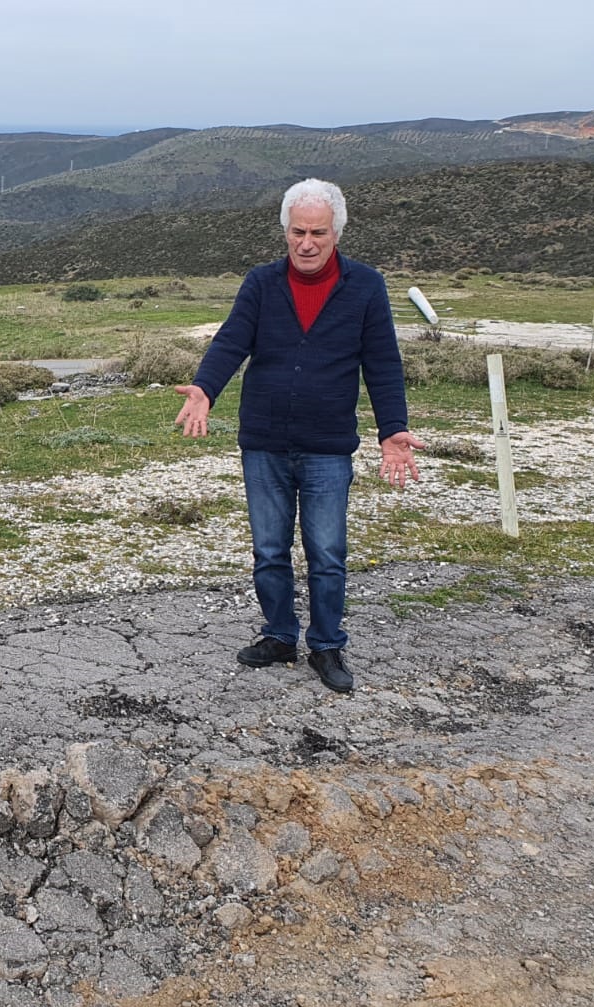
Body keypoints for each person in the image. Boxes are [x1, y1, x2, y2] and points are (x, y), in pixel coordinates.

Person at [173, 178, 423, 694]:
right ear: (285, 231)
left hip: (328, 445)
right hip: (263, 442)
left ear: (337, 234)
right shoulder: (262, 283)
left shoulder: (366, 286)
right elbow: (231, 341)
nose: (306, 243)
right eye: (297, 232)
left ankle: (327, 645)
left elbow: (382, 364)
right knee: (269, 549)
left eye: (318, 233)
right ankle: (280, 636)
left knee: (327, 553)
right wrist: (205, 388)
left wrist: (392, 430)